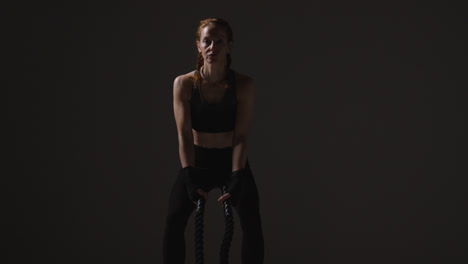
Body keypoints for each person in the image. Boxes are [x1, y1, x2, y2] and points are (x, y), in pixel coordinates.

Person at [162, 18, 265, 264]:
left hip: (232, 161)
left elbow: (240, 136)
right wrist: (188, 173)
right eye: (207, 41)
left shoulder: (244, 85)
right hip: (198, 160)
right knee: (174, 221)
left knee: (252, 223)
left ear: (229, 46)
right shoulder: (184, 84)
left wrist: (237, 174)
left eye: (219, 41)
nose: (212, 47)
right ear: (198, 45)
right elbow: (184, 134)